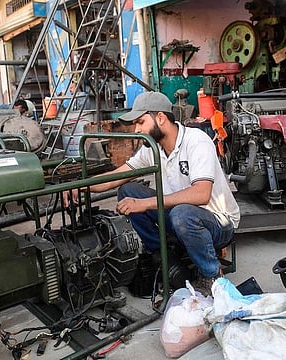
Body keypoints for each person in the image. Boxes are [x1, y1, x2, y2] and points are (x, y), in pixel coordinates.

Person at [66, 91, 240, 296]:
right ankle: (163, 255)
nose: (137, 129)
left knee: (181, 213)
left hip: (218, 222)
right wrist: (80, 186)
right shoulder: (152, 148)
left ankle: (211, 276)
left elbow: (201, 194)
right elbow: (117, 176)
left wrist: (147, 203)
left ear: (160, 118)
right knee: (128, 190)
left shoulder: (197, 142)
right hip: (180, 216)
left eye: (141, 122)